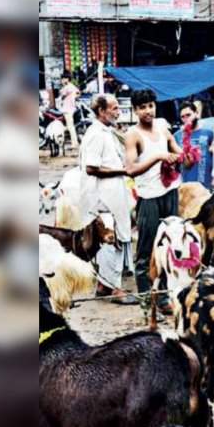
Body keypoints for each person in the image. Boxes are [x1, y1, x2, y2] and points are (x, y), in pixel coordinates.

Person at [124, 89, 182, 316]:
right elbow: (130, 169)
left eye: (151, 106)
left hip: (170, 192)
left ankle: (165, 296)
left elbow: (180, 154)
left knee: (169, 246)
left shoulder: (163, 128)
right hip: (149, 197)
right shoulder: (132, 135)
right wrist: (157, 157)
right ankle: (147, 298)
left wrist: (185, 156)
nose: (148, 111)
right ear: (135, 110)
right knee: (146, 250)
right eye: (142, 107)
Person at [78, 94, 138, 305]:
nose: (117, 111)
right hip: (102, 198)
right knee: (109, 241)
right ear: (102, 111)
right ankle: (116, 291)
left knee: (116, 239)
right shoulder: (96, 134)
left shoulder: (107, 132)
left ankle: (103, 286)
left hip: (112, 194)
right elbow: (91, 168)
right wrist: (124, 170)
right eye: (114, 108)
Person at [174, 102, 214, 189]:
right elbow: (175, 164)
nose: (186, 119)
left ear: (196, 113)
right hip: (187, 186)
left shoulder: (209, 133)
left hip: (208, 184)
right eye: (183, 117)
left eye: (188, 115)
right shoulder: (177, 136)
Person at [60, 71, 81, 149]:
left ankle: (74, 143)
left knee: (70, 127)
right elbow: (79, 93)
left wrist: (68, 97)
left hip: (67, 109)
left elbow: (62, 96)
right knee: (69, 126)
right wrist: (73, 97)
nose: (62, 80)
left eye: (63, 79)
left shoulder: (67, 87)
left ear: (67, 79)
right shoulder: (72, 86)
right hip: (72, 108)